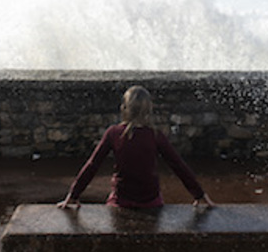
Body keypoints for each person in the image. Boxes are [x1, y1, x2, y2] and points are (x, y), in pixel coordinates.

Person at [57, 86, 216, 209]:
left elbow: (93, 165)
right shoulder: (155, 135)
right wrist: (199, 194)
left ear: (124, 108)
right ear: (149, 110)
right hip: (151, 201)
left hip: (121, 201)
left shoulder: (113, 133)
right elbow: (178, 165)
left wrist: (74, 194)